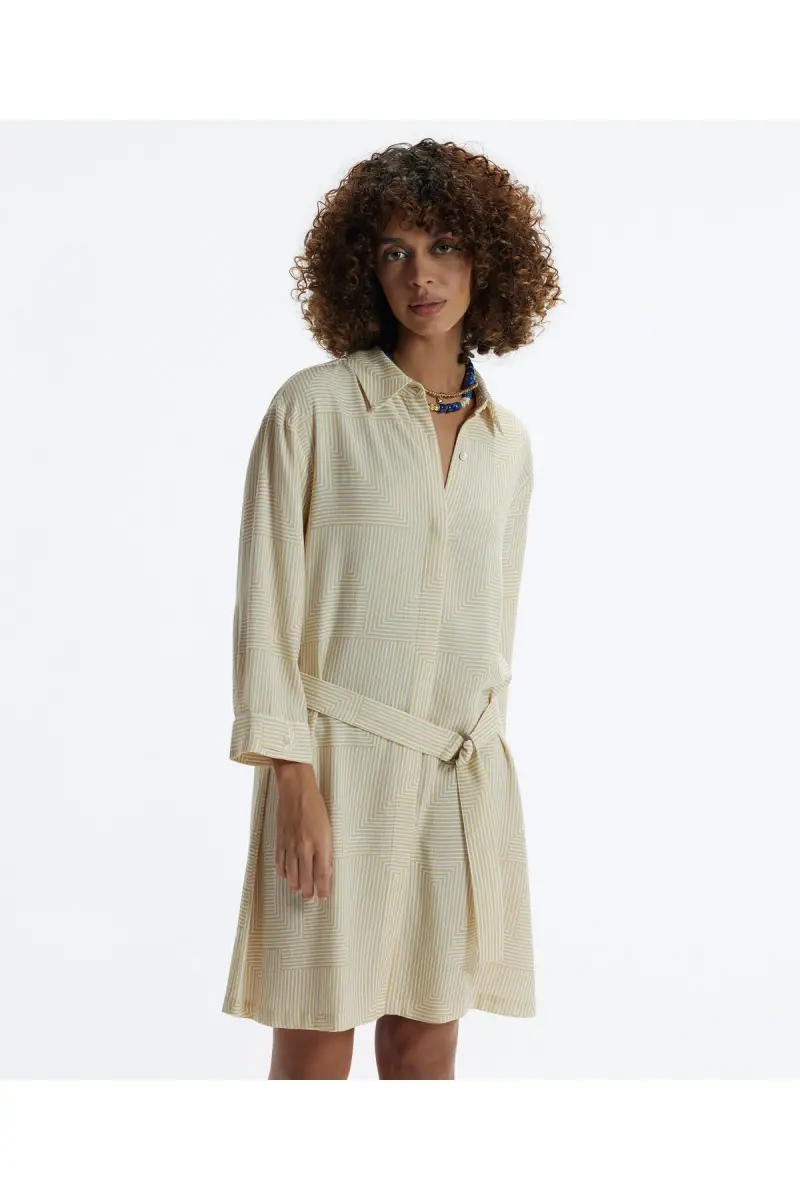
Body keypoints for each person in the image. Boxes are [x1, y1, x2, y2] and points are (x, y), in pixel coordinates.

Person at [221, 137, 562, 1079]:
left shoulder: (507, 444)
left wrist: (486, 772)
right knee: (315, 1045)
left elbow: (494, 627)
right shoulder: (315, 411)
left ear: (486, 261)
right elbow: (266, 601)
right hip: (334, 769)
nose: (422, 275)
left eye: (444, 246)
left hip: (458, 777)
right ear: (363, 271)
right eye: (395, 252)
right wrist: (291, 781)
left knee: (424, 1049)